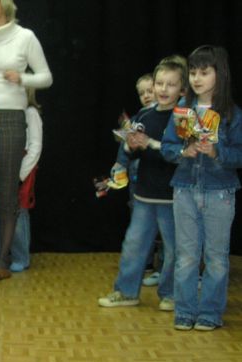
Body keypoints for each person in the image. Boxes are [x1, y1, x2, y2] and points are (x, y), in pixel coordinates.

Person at [0, 0, 52, 281]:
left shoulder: (25, 37)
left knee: (6, 193)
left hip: (11, 119)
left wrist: (23, 77)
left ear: (3, 4)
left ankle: (4, 259)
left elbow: (46, 77)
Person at [161, 45, 242, 331]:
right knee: (186, 256)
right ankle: (184, 311)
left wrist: (216, 151)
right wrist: (184, 152)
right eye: (193, 72)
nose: (196, 78)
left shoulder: (232, 114)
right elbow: (168, 146)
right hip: (184, 189)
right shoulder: (182, 111)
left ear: (219, 75)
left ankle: (209, 313)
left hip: (220, 192)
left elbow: (239, 155)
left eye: (204, 72)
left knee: (217, 258)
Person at [98, 58, 187, 310]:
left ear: (182, 90)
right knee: (134, 244)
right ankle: (126, 291)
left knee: (174, 249)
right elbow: (131, 149)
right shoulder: (144, 114)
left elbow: (182, 154)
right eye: (159, 83)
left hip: (173, 196)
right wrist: (130, 146)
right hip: (145, 195)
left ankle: (170, 293)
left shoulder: (184, 117)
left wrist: (151, 144)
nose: (163, 89)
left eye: (171, 84)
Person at [8, 88, 43, 272]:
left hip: (23, 168)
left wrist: (20, 175)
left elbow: (35, 146)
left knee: (19, 211)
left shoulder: (31, 113)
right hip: (5, 163)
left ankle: (21, 256)